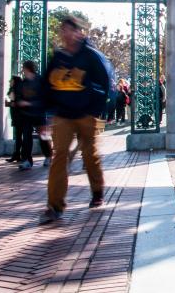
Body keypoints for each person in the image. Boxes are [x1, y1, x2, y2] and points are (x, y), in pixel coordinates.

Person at [40, 16, 111, 224]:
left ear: (80, 33)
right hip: (63, 114)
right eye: (62, 30)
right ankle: (54, 205)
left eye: (69, 30)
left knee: (90, 154)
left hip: (87, 114)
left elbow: (105, 85)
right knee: (59, 156)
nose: (64, 34)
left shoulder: (91, 57)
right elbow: (46, 86)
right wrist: (44, 115)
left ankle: (97, 191)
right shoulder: (58, 57)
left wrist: (95, 109)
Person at [16, 60, 51, 170]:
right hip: (26, 114)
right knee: (26, 137)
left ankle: (48, 156)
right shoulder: (23, 82)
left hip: (39, 113)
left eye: (23, 67)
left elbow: (45, 98)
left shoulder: (40, 80)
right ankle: (27, 160)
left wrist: (30, 103)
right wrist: (19, 101)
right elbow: (19, 96)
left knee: (43, 137)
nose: (22, 70)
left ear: (27, 68)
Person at [5, 75, 23, 163]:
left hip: (19, 116)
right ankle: (17, 155)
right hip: (17, 115)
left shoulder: (16, 89)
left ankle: (17, 155)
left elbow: (16, 103)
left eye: (11, 80)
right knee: (18, 136)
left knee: (19, 136)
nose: (9, 82)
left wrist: (9, 103)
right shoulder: (15, 89)